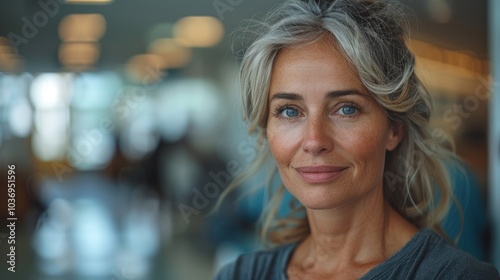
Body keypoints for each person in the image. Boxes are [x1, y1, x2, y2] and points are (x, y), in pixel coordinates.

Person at [214, 0, 500, 279]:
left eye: (346, 109)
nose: (314, 140)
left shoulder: (456, 275)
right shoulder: (240, 274)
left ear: (394, 129)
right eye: (290, 111)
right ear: (267, 129)